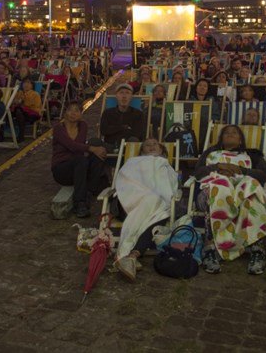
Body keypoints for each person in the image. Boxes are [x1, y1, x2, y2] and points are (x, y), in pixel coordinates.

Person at [194, 125, 266, 275]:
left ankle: (257, 250)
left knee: (251, 192)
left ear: (241, 139)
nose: (230, 134)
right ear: (221, 139)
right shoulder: (210, 153)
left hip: (240, 192)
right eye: (226, 133)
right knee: (219, 189)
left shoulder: (253, 155)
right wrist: (217, 167)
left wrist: (240, 170)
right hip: (212, 191)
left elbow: (263, 176)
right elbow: (197, 173)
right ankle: (210, 248)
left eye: (234, 133)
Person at [114, 139, 177, 281]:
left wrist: (158, 194)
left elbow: (169, 185)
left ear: (161, 150)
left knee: (160, 209)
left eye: (155, 144)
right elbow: (126, 179)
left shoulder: (165, 165)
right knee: (156, 207)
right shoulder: (133, 162)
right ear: (142, 151)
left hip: (157, 202)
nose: (151, 146)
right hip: (132, 200)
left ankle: (132, 256)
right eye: (147, 145)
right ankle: (131, 257)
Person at [51, 101, 107, 218]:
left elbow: (78, 147)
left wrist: (95, 150)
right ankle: (80, 203)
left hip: (78, 166)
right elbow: (71, 146)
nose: (73, 113)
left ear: (81, 114)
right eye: (70, 109)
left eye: (77, 110)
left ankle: (89, 191)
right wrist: (91, 148)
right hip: (61, 169)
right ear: (65, 112)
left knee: (98, 155)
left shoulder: (83, 126)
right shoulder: (58, 128)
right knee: (82, 159)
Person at [100, 83, 147, 148]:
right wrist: (123, 127)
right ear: (116, 96)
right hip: (110, 146)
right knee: (93, 141)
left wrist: (113, 129)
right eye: (121, 93)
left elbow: (137, 133)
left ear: (131, 96)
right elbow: (103, 130)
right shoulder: (107, 113)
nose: (124, 96)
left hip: (128, 147)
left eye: (127, 93)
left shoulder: (138, 114)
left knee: (134, 140)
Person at [12, 78, 43, 143]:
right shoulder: (18, 93)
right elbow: (13, 103)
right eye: (25, 83)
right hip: (19, 113)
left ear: (32, 85)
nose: (26, 84)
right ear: (22, 85)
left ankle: (21, 134)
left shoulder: (35, 94)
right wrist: (16, 101)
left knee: (19, 110)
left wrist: (24, 101)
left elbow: (37, 107)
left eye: (29, 83)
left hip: (32, 114)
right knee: (16, 110)